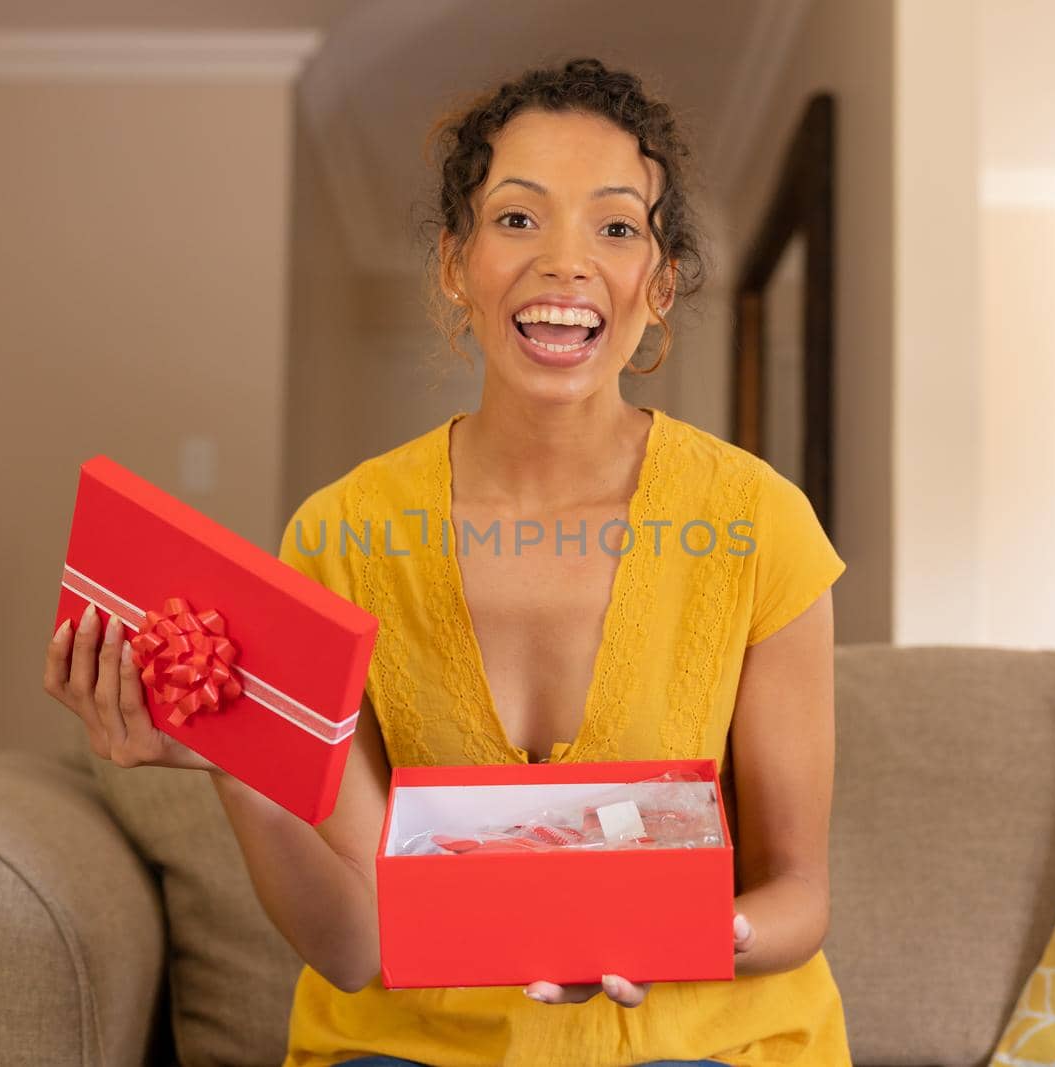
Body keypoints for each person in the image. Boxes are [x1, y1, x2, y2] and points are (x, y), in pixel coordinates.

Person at [45, 57, 849, 1067]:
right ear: (453, 263)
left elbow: (798, 897)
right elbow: (357, 944)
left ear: (661, 282)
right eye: (517, 219)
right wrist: (235, 762)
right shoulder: (339, 534)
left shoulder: (759, 523)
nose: (565, 262)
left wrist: (683, 931)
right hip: (412, 1051)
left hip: (704, 1046)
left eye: (614, 226)